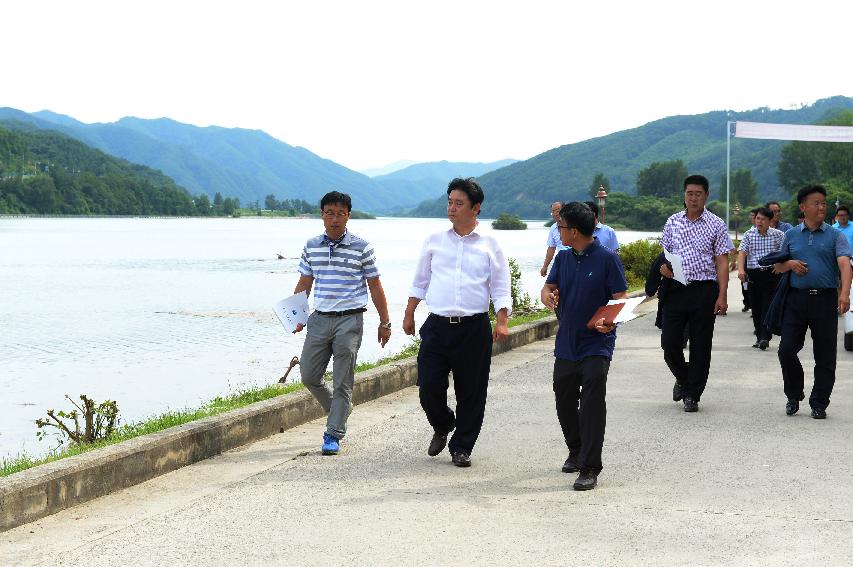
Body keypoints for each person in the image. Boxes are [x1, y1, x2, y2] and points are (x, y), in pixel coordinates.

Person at [403, 177, 511, 467]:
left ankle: (461, 447)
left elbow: (501, 286)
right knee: (428, 387)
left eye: (459, 203)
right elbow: (420, 280)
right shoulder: (434, 241)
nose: (452, 208)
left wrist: (501, 320)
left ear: (475, 208)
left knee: (471, 391)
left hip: (474, 328)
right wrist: (409, 312)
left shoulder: (490, 244)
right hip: (437, 326)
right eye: (450, 202)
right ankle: (443, 423)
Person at [293, 191, 391, 455]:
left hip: (349, 320)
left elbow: (375, 285)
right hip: (319, 319)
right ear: (322, 215)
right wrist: (297, 317)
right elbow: (305, 282)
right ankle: (340, 408)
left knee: (342, 381)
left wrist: (385, 322)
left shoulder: (362, 247)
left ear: (348, 215)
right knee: (309, 375)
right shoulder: (311, 245)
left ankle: (333, 433)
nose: (334, 219)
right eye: (329, 213)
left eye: (340, 213)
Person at [541, 202, 627, 491]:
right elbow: (548, 287)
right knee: (564, 398)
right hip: (566, 342)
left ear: (574, 231)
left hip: (596, 343)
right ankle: (576, 450)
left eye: (561, 226)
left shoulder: (606, 259)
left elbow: (620, 298)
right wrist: (547, 295)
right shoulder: (563, 259)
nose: (558, 231)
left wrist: (610, 322)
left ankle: (590, 466)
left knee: (591, 402)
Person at [773, 185, 851, 419]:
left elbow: (845, 264)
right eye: (816, 203)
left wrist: (844, 293)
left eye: (823, 203)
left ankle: (819, 402)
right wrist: (790, 265)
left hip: (826, 300)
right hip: (796, 301)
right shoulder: (791, 235)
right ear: (803, 207)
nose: (821, 207)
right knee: (786, 350)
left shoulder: (835, 235)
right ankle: (793, 394)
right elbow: (777, 266)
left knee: (825, 355)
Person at [659, 174, 734, 412]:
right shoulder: (672, 222)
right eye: (689, 193)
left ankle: (693, 395)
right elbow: (665, 253)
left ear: (706, 195)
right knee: (669, 343)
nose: (693, 198)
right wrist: (664, 268)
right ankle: (684, 377)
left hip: (704, 290)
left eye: (698, 194)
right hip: (676, 289)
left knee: (701, 345)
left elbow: (722, 261)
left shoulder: (716, 224)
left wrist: (722, 294)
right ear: (684, 195)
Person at [737, 207, 784, 350]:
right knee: (756, 307)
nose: (759, 221)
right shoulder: (749, 234)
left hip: (771, 274)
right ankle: (759, 336)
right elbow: (742, 252)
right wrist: (740, 269)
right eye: (758, 218)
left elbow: (783, 253)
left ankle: (765, 336)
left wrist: (779, 265)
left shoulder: (778, 235)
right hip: (754, 275)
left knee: (767, 306)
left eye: (763, 219)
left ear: (770, 221)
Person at [540, 201, 568, 276]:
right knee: (551, 284)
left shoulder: (573, 225)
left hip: (574, 260)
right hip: (561, 261)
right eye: (553, 211)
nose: (555, 214)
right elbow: (551, 248)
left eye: (558, 211)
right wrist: (545, 266)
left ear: (564, 211)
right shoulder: (553, 228)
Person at [741, 209, 758, 312]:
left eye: (753, 215)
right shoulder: (749, 232)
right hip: (748, 263)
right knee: (745, 285)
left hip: (758, 266)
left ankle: (753, 305)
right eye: (750, 215)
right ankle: (747, 303)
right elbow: (742, 251)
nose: (751, 217)